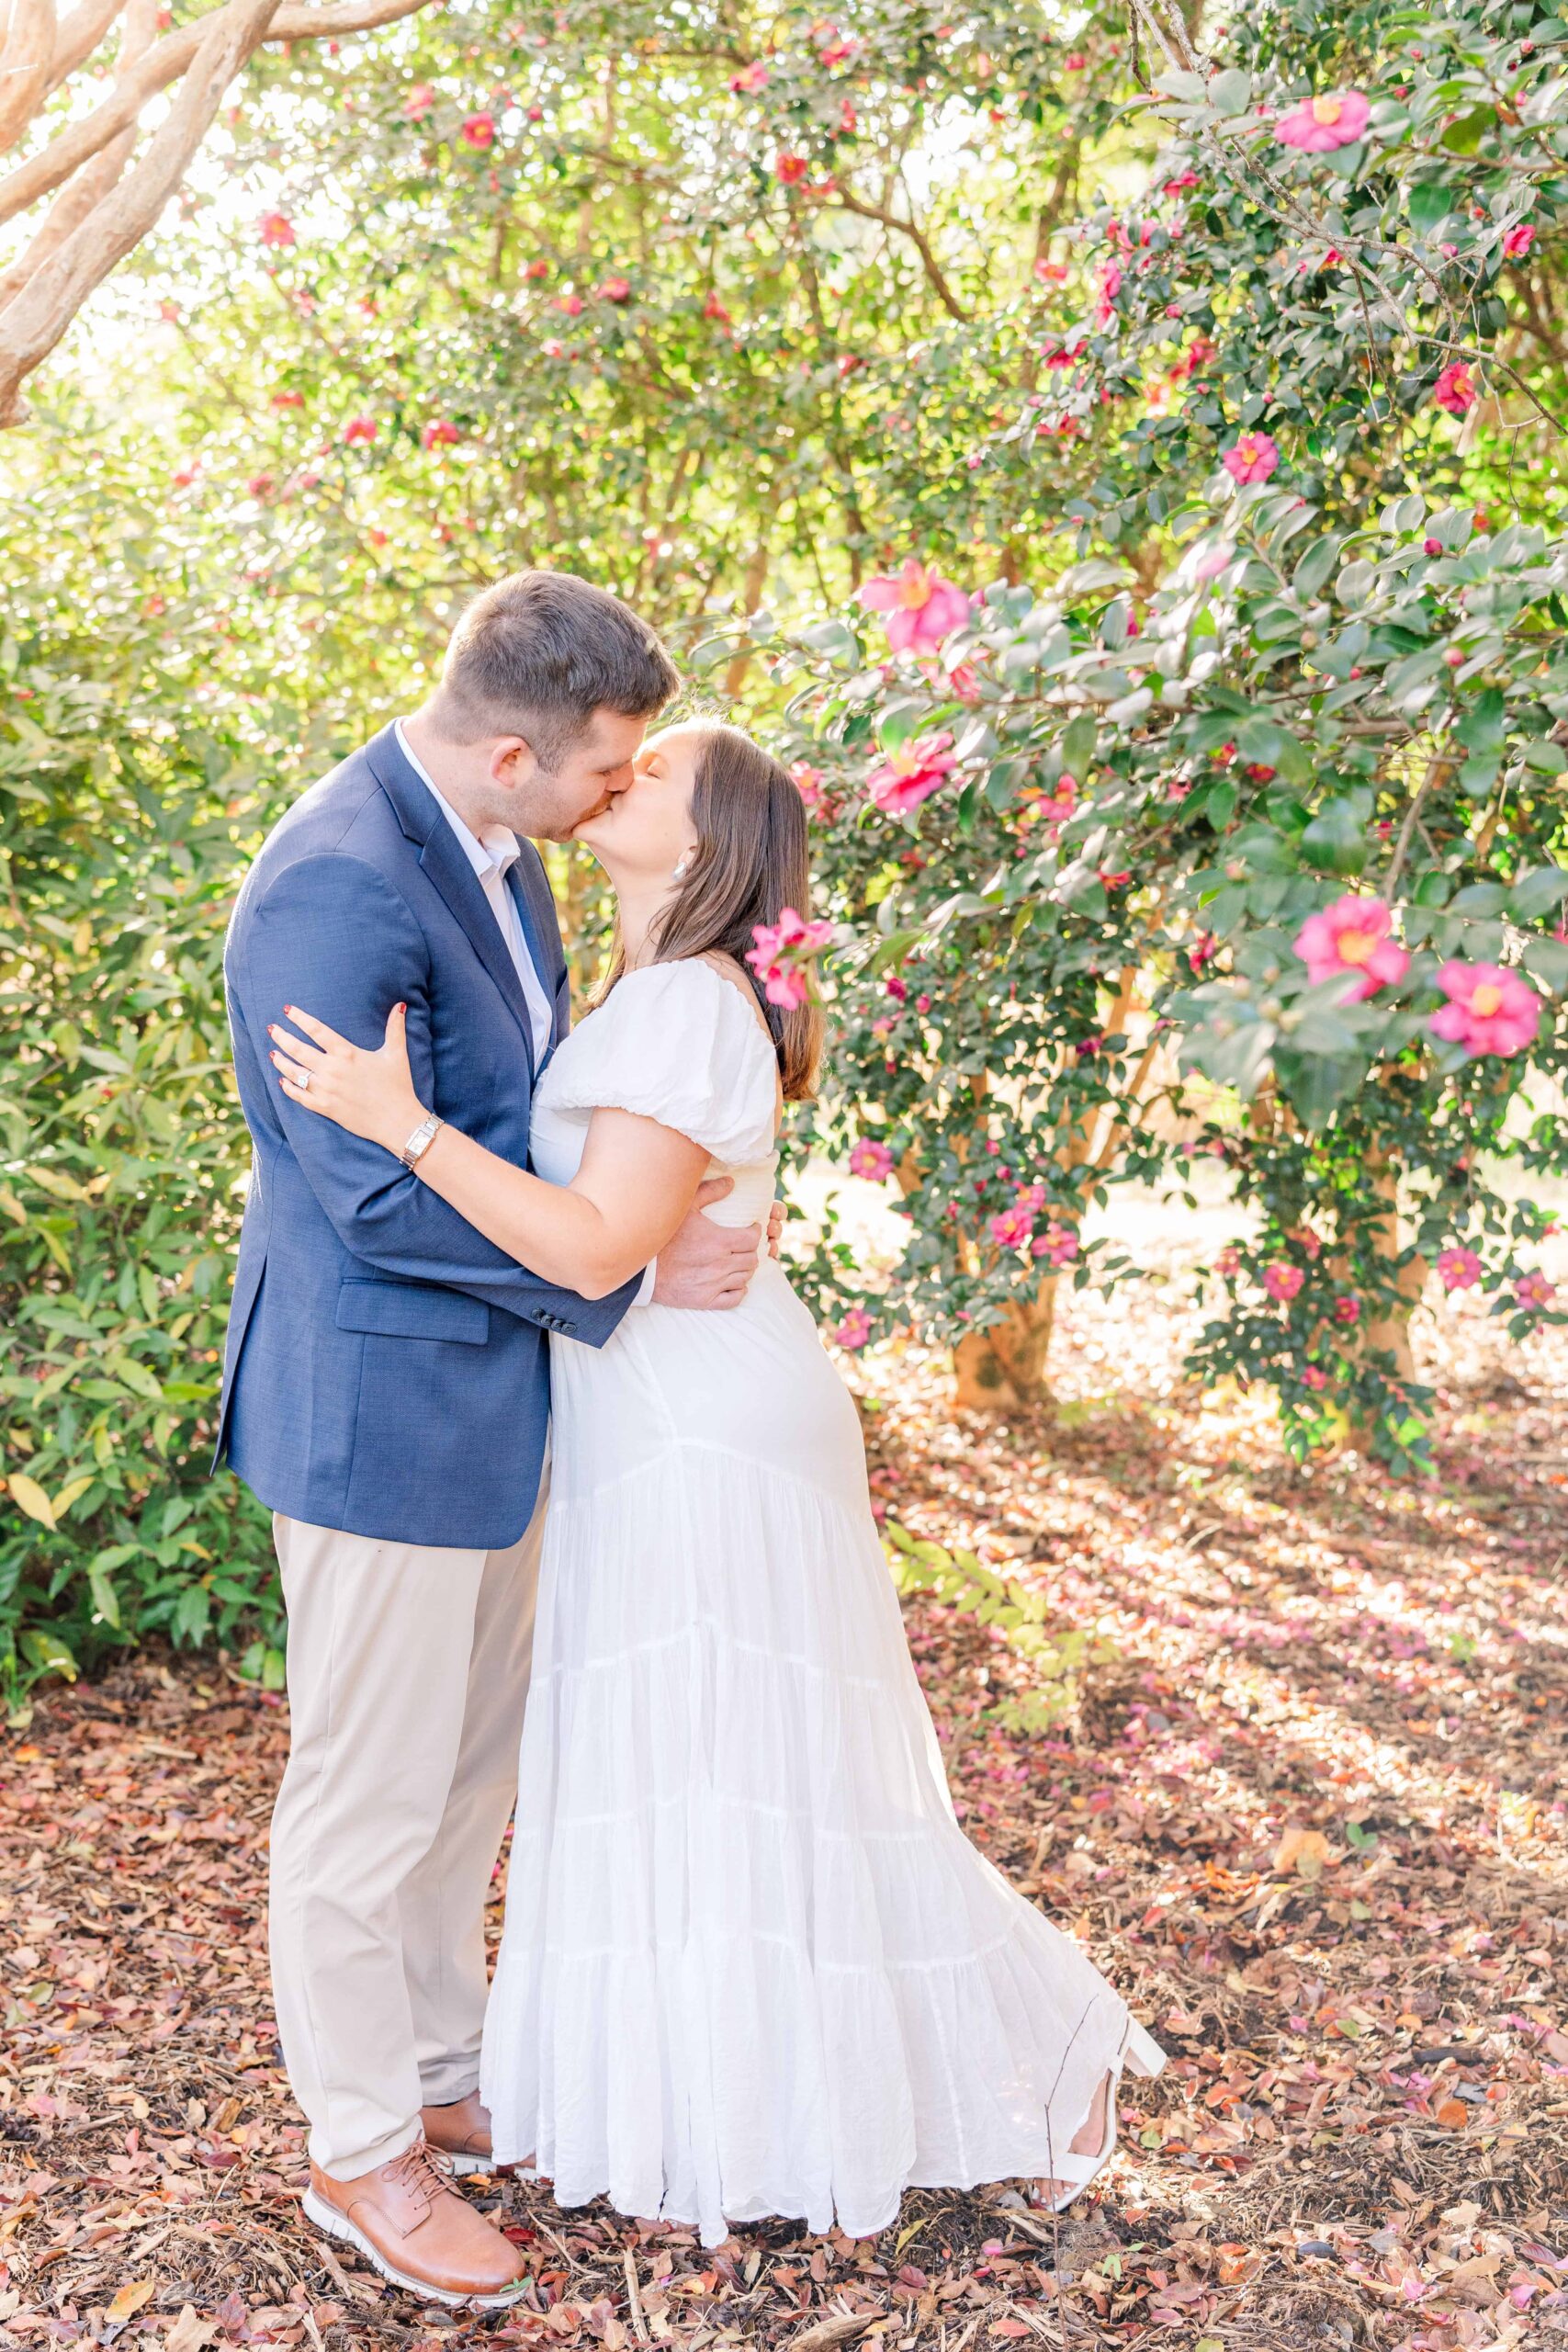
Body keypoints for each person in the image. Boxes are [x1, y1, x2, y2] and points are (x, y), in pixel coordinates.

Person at [265, 713, 1166, 2267]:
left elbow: (595, 1245)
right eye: (622, 757)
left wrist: (397, 1120)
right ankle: (722, 2101)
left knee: (760, 1764)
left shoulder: (685, 1000)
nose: (621, 777)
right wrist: (613, 1229)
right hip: (643, 1412)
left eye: (657, 770)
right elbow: (612, 1220)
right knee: (720, 1764)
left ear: (711, 844)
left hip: (695, 1425)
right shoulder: (637, 981)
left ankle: (1048, 2043)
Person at [218, 572, 782, 2309]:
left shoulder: (505, 840)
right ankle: (356, 2146)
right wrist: (615, 1276)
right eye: (605, 771)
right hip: (379, 1404)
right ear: (519, 747)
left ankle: (441, 2067)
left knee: (467, 1772)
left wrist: (625, 1235)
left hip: (501, 1394)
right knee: (364, 1795)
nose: (618, 798)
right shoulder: (334, 881)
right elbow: (369, 1191)